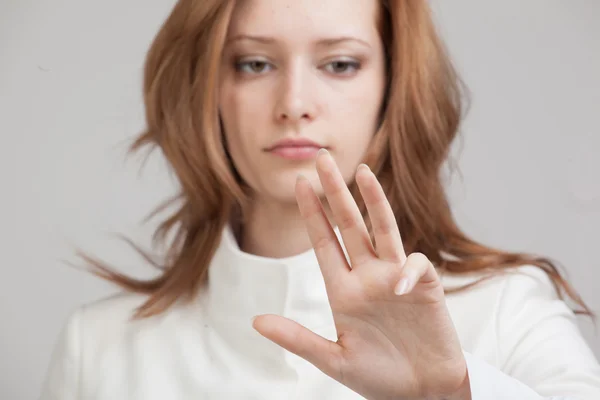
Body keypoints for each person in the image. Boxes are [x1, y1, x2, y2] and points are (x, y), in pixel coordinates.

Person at [39, 0, 600, 399]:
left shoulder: (506, 310)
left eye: (340, 64)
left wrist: (448, 395)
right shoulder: (100, 347)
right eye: (255, 63)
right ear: (205, 88)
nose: (295, 103)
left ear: (394, 87)